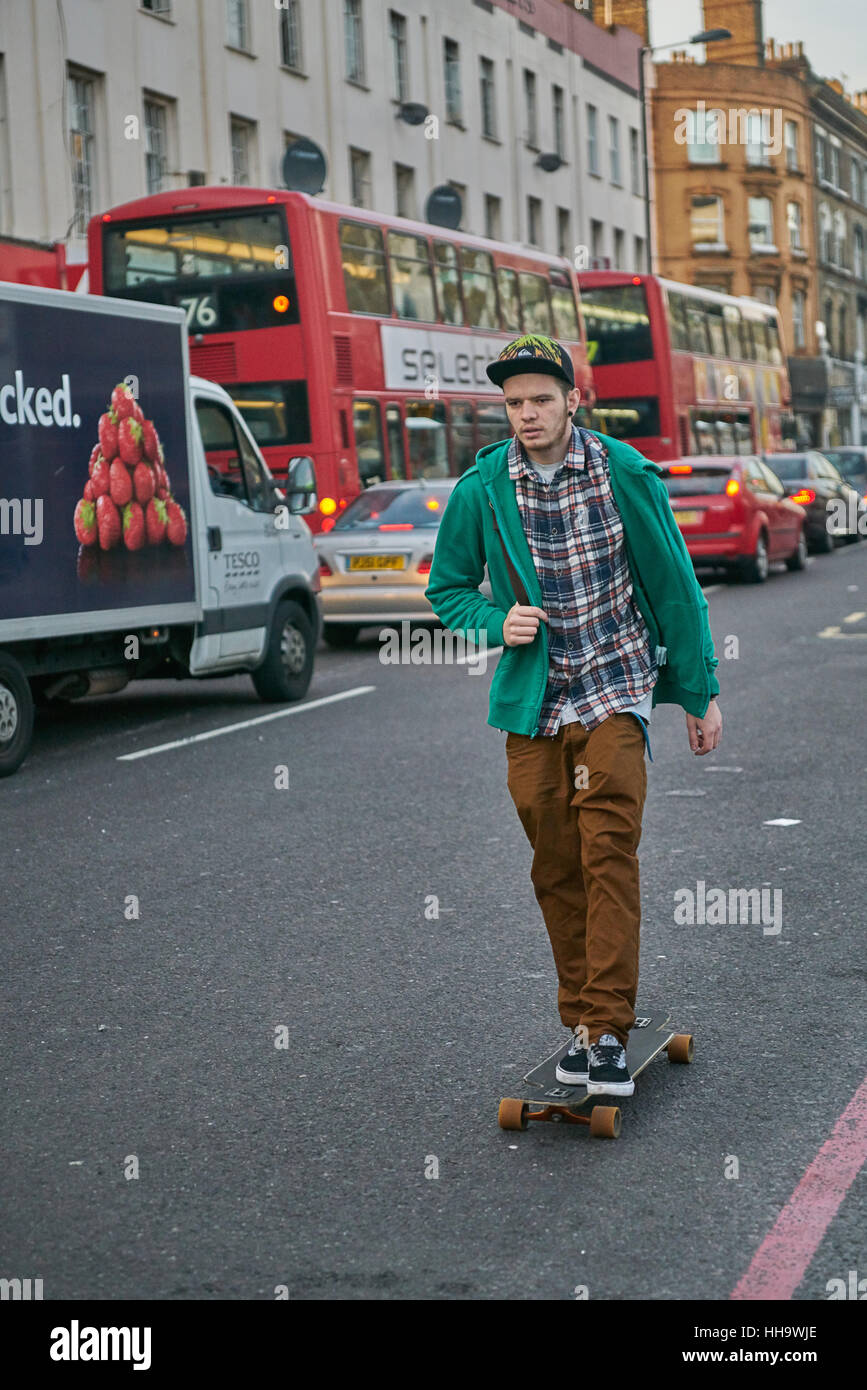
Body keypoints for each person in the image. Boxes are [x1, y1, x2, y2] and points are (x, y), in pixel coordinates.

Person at [425, 333, 721, 1097]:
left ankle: (608, 1034)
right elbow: (447, 589)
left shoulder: (623, 473)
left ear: (572, 401)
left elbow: (675, 585)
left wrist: (698, 692)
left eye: (540, 400)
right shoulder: (482, 488)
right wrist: (496, 625)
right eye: (513, 402)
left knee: (607, 852)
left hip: (614, 688)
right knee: (554, 864)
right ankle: (582, 1024)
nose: (526, 414)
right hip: (535, 703)